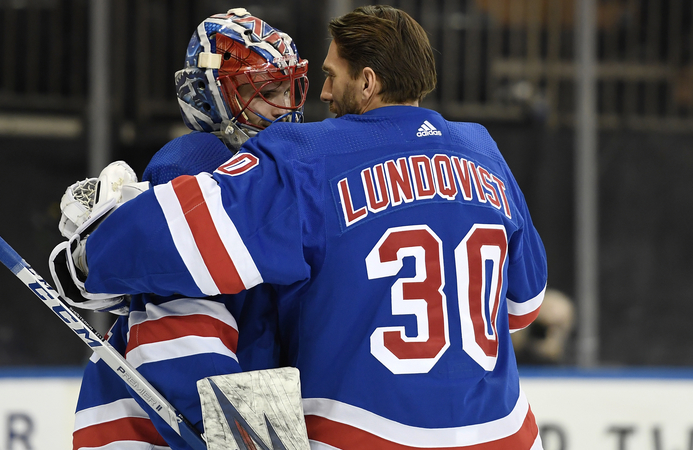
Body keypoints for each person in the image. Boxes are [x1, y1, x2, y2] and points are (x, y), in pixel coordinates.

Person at [77, 5, 547, 449]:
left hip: (363, 433)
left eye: (329, 75)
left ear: (367, 82)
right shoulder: (484, 150)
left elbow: (180, 241)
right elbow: (522, 307)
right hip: (505, 433)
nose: (320, 94)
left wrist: (88, 255)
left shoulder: (309, 155)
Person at [62, 9, 308, 450]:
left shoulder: (267, 173)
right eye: (267, 90)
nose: (285, 105)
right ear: (215, 97)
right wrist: (249, 438)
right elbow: (179, 338)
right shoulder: (194, 166)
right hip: (151, 435)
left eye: (288, 87)